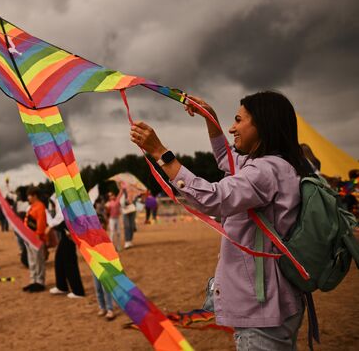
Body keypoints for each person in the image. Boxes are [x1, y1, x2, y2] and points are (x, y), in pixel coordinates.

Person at [130, 91, 309, 350]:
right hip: (278, 299)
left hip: (262, 311)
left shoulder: (264, 171)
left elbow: (212, 198)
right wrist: (210, 120)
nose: (231, 127)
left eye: (238, 120)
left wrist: (160, 153)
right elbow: (229, 161)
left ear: (263, 125)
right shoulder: (276, 165)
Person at [47, 195, 85, 299]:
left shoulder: (65, 194)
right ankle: (61, 286)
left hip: (69, 229)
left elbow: (61, 216)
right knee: (59, 258)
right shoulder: (58, 194)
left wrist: (50, 225)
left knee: (69, 261)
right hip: (65, 229)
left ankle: (78, 291)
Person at [22, 187, 47, 293]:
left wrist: (38, 234)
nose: (28, 198)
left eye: (29, 195)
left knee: (38, 260)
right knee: (31, 260)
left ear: (35, 196)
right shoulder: (31, 207)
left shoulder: (40, 206)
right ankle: (33, 280)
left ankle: (40, 282)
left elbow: (41, 223)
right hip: (28, 237)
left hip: (36, 237)